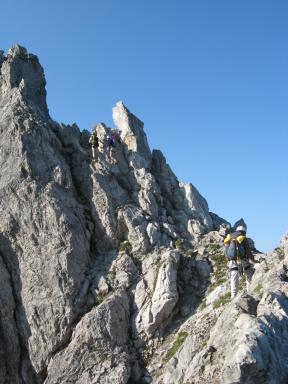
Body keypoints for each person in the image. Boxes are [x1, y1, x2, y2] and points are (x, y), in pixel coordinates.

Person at [224, 225, 255, 299]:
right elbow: (248, 251)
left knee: (234, 278)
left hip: (232, 261)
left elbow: (226, 251)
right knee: (249, 274)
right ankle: (249, 291)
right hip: (242, 260)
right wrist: (253, 260)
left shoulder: (230, 237)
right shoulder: (243, 238)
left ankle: (233, 296)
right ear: (244, 232)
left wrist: (228, 261)